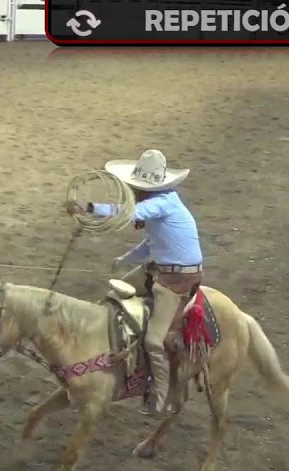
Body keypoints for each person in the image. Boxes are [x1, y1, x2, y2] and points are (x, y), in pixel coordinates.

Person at [67, 149, 203, 418]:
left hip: (176, 279)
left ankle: (161, 398)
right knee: (113, 296)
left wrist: (89, 208)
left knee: (155, 341)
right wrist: (125, 259)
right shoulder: (163, 205)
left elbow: (128, 213)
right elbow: (151, 243)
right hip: (160, 269)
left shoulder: (162, 203)